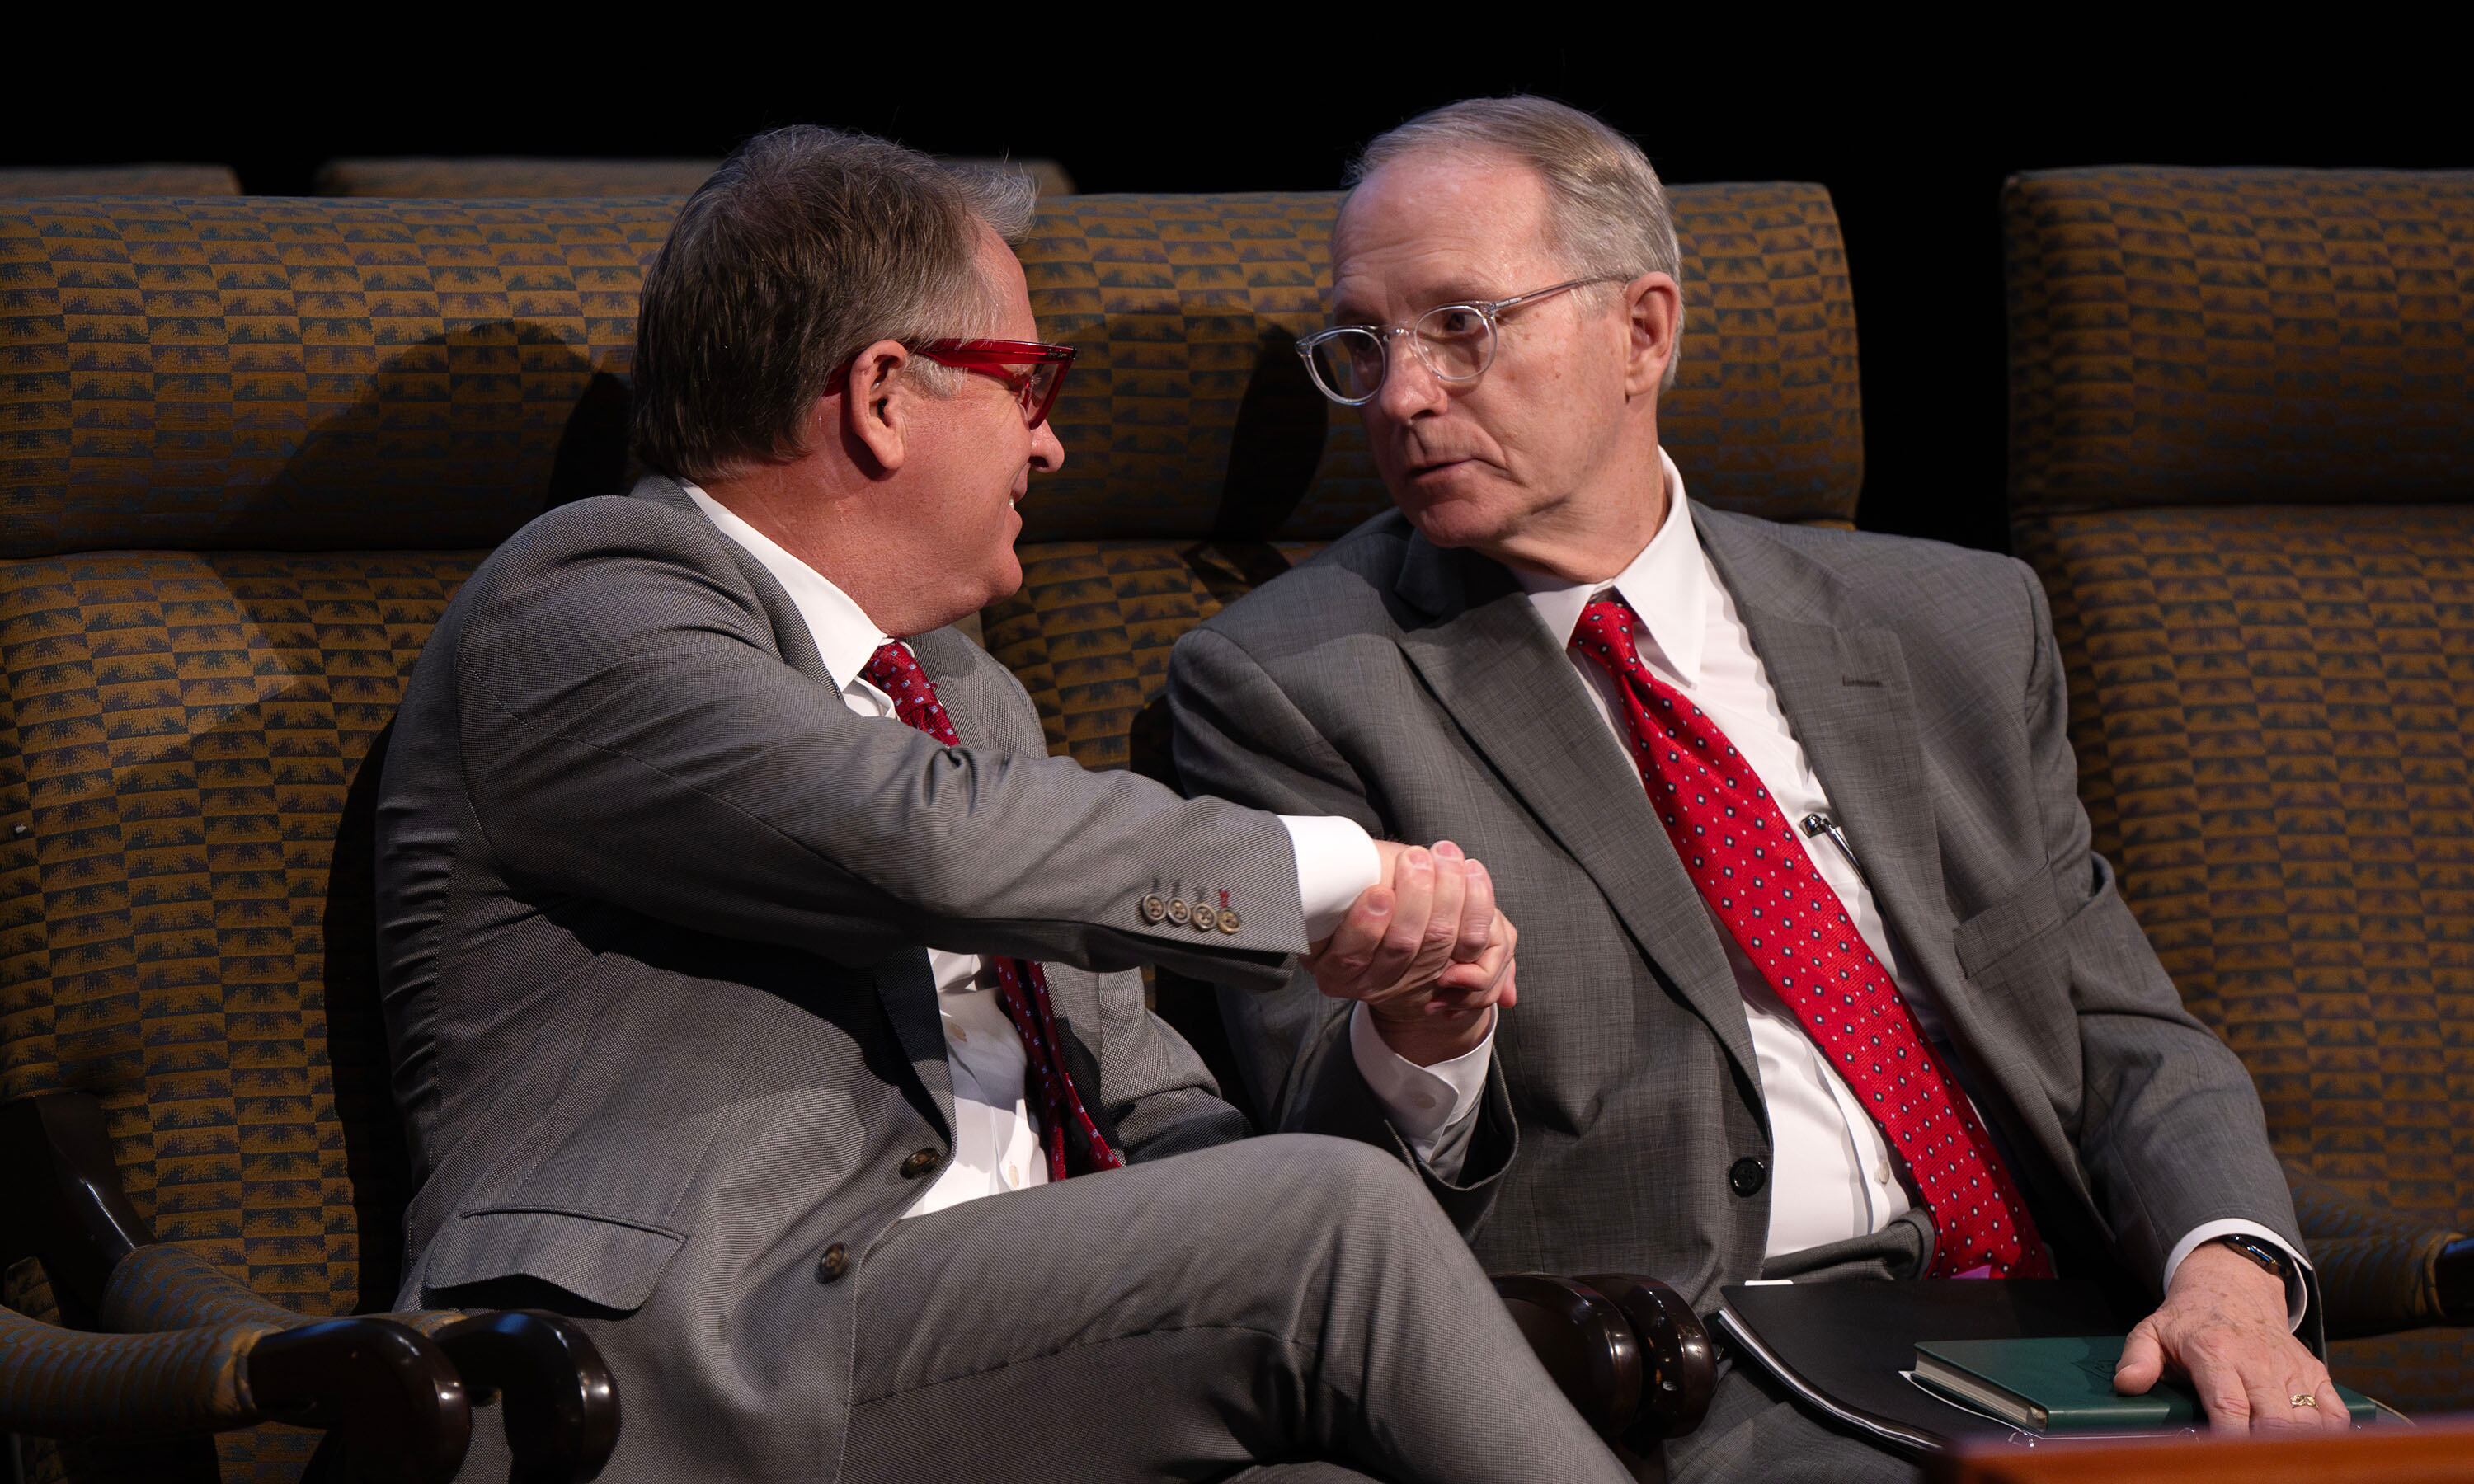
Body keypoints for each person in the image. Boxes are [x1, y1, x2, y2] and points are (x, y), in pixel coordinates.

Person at [374, 124, 1628, 1484]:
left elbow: (1154, 1123)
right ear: (883, 396)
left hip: (1014, 1351)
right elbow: (915, 835)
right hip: (687, 1359)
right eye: (1030, 388)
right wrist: (1339, 880)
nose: (1056, 447)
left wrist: (1405, 1045)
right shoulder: (584, 602)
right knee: (1324, 1227)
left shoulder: (967, 699)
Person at [1166, 96, 2346, 1482]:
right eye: (1364, 347)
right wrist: (1426, 1040)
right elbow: (1322, 1171)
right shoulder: (1294, 682)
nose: (1406, 395)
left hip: (2069, 1333)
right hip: (1691, 1368)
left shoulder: (1951, 623)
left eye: (1463, 326)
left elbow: (2120, 1026)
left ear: (1643, 331)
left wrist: (2229, 1266)